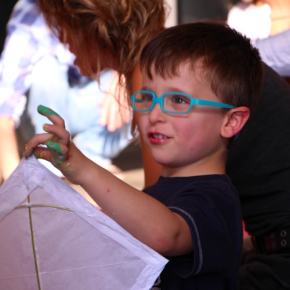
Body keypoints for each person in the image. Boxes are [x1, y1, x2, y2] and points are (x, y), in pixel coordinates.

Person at [23, 22, 263, 289]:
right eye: (147, 97)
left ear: (231, 121)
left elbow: (164, 234)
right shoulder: (152, 198)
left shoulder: (215, 200)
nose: (155, 114)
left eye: (179, 101)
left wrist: (85, 170)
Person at [0, 0, 134, 182]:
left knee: (141, 88)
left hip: (92, 103)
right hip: (47, 106)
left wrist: (125, 73)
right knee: (46, 67)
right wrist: (15, 185)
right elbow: (4, 109)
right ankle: (50, 161)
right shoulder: (32, 14)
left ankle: (90, 155)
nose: (62, 39)